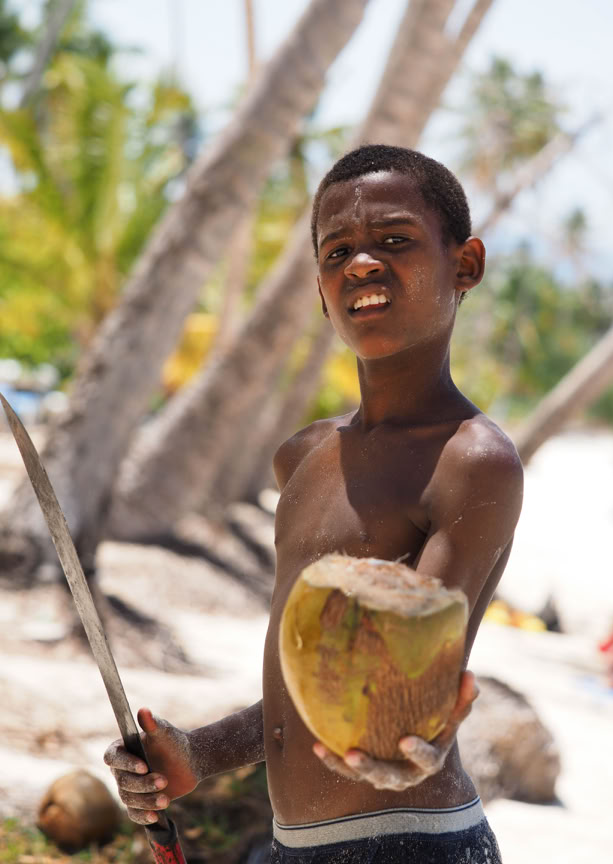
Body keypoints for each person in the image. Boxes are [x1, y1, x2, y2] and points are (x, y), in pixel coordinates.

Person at [105, 144, 523, 863]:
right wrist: (198, 753)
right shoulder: (302, 458)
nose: (361, 264)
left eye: (394, 239)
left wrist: (417, 744)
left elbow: (408, 701)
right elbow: (312, 695)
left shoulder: (472, 460)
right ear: (322, 293)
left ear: (466, 265)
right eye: (337, 252)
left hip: (411, 843)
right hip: (292, 845)